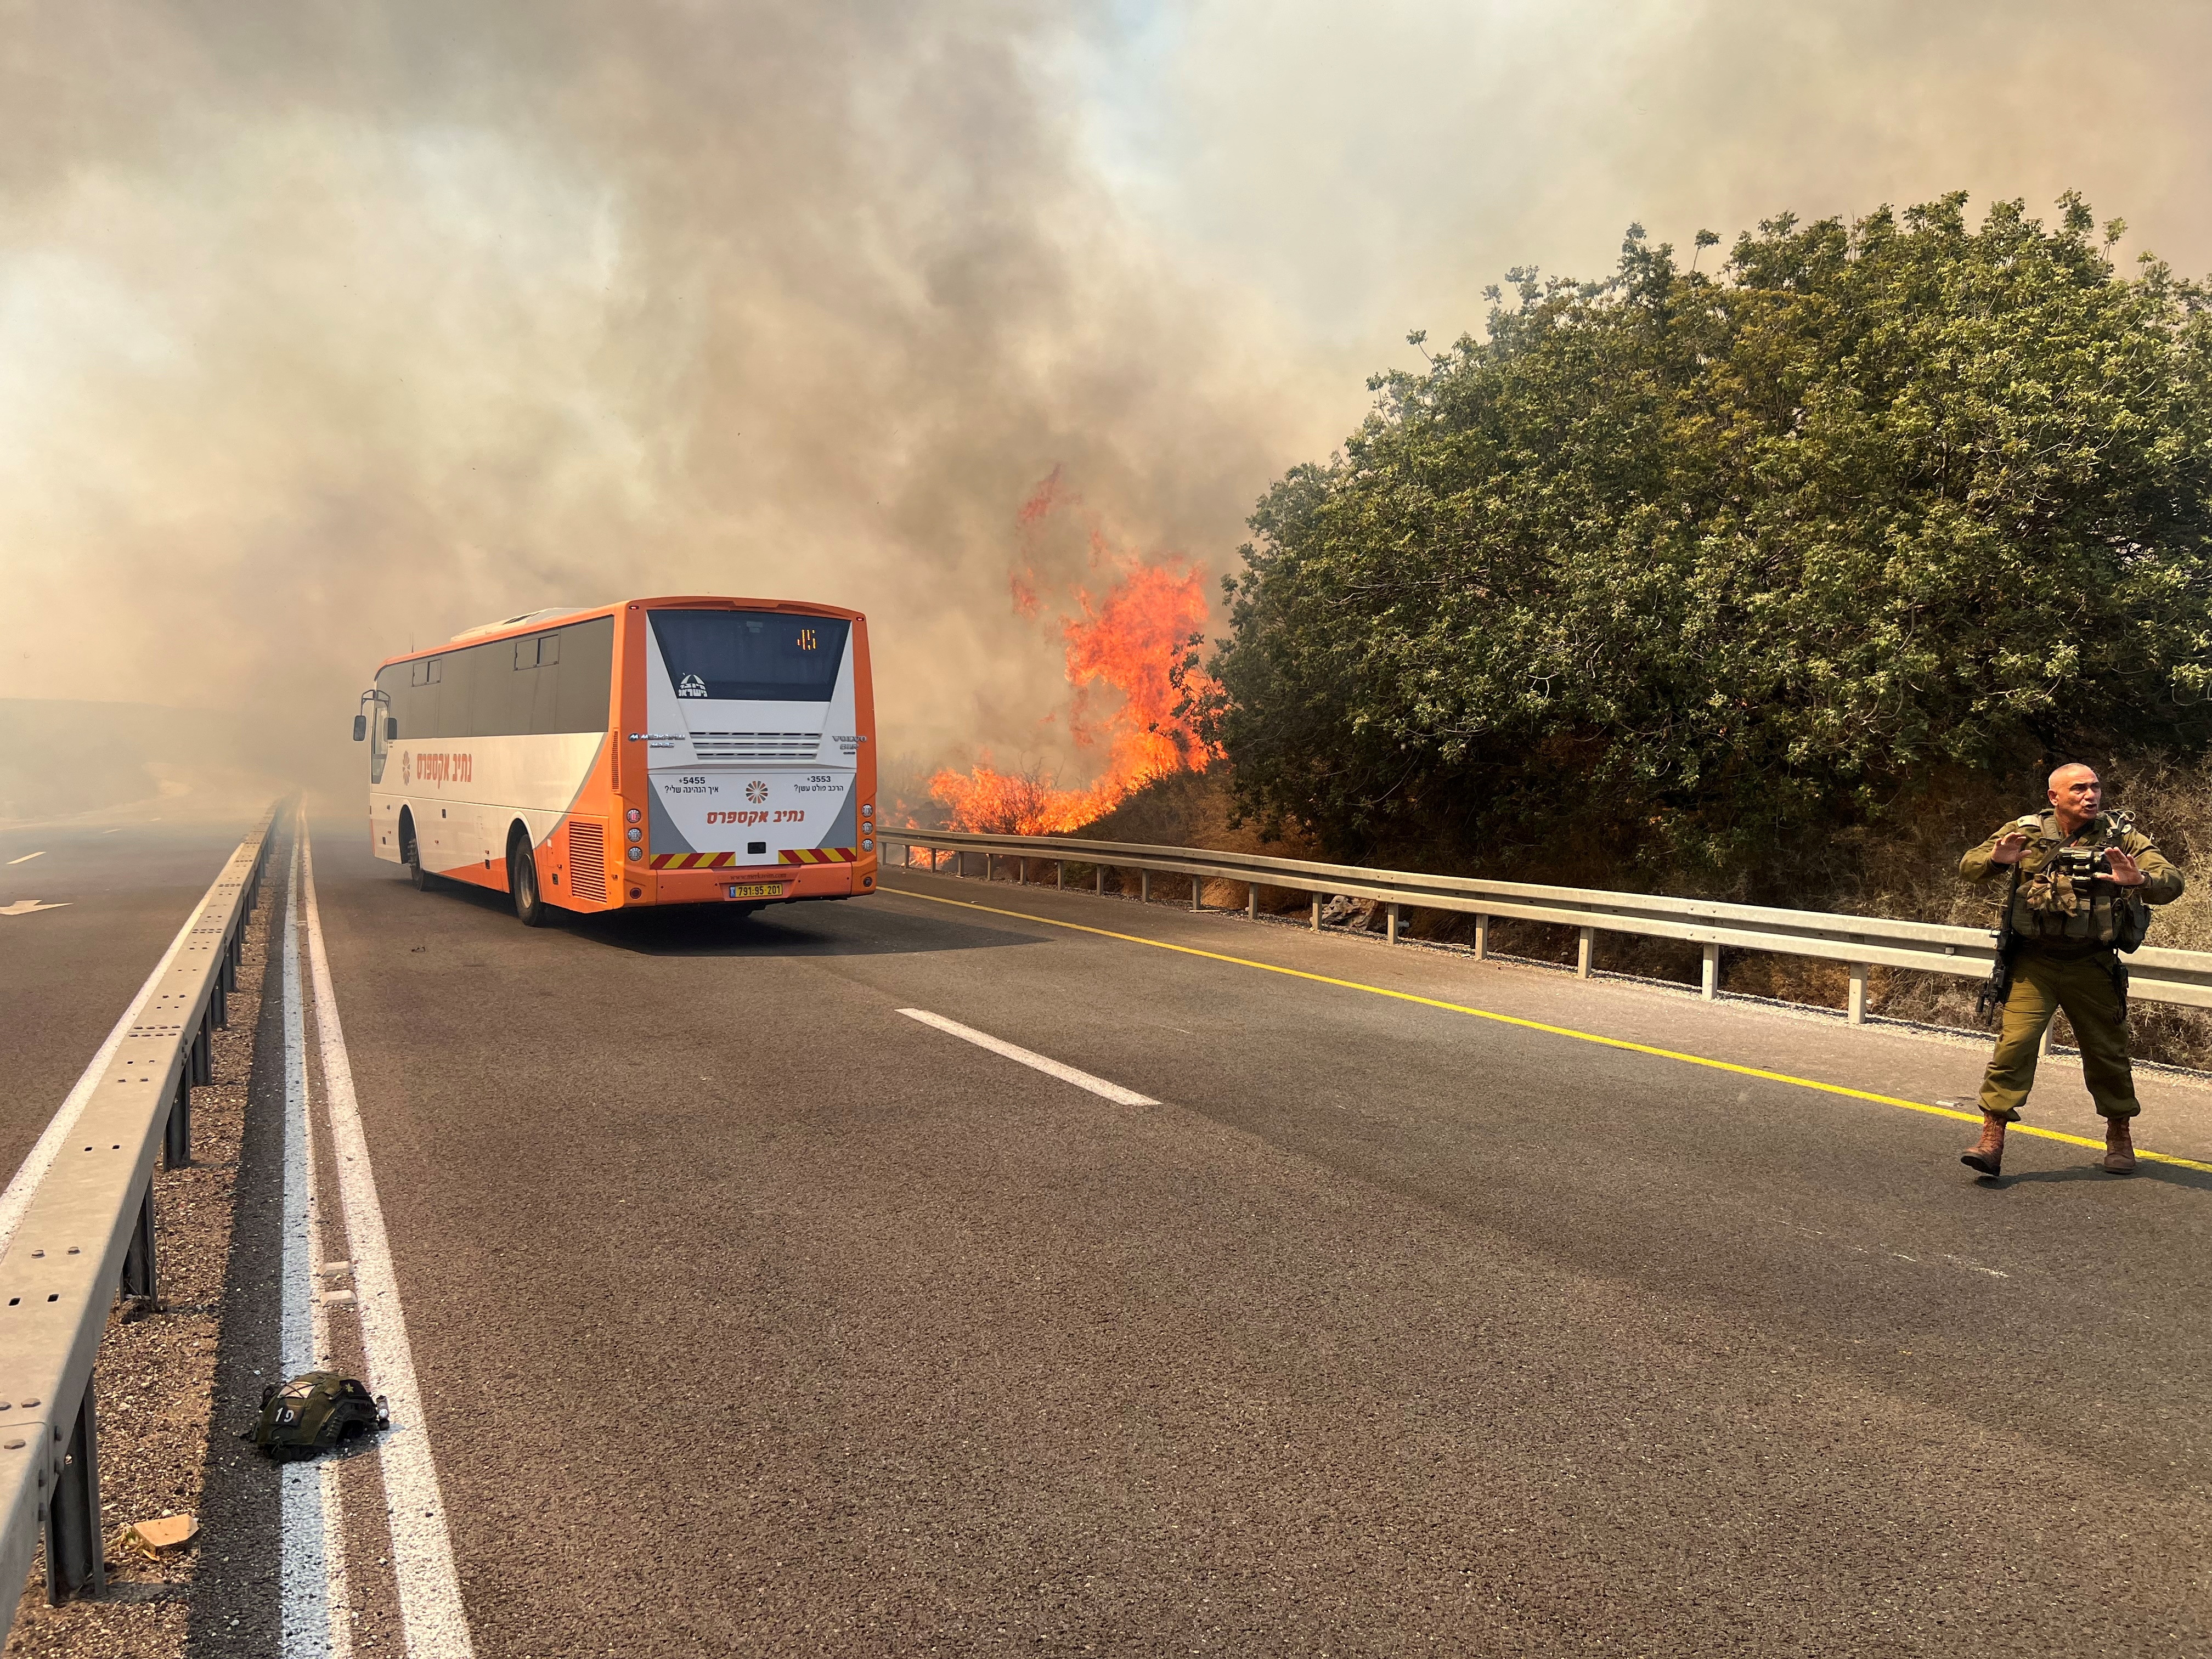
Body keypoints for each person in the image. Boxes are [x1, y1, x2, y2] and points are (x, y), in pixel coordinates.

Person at [1957, 764, 2182, 1176]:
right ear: (2054, 797)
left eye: (2095, 787)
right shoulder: (2027, 830)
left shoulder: (2121, 835)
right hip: (2035, 963)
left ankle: (2119, 1136)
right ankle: (1992, 1137)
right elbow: (1969, 867)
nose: (2090, 795)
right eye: (2079, 788)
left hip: (2091, 964)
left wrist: (2140, 879)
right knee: (2014, 1048)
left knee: (2108, 1055)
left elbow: (2172, 880)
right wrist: (1995, 859)